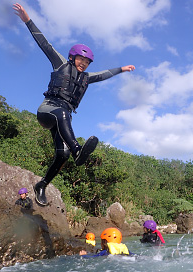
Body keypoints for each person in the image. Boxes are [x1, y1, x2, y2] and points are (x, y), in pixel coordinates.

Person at [13, 3, 136, 206]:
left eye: (87, 62)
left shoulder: (86, 77)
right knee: (63, 116)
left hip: (63, 117)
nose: (84, 64)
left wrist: (121, 69)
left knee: (63, 154)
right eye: (81, 59)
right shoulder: (61, 63)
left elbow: (104, 74)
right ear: (72, 57)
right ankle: (78, 149)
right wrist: (27, 20)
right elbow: (44, 44)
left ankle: (41, 185)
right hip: (47, 111)